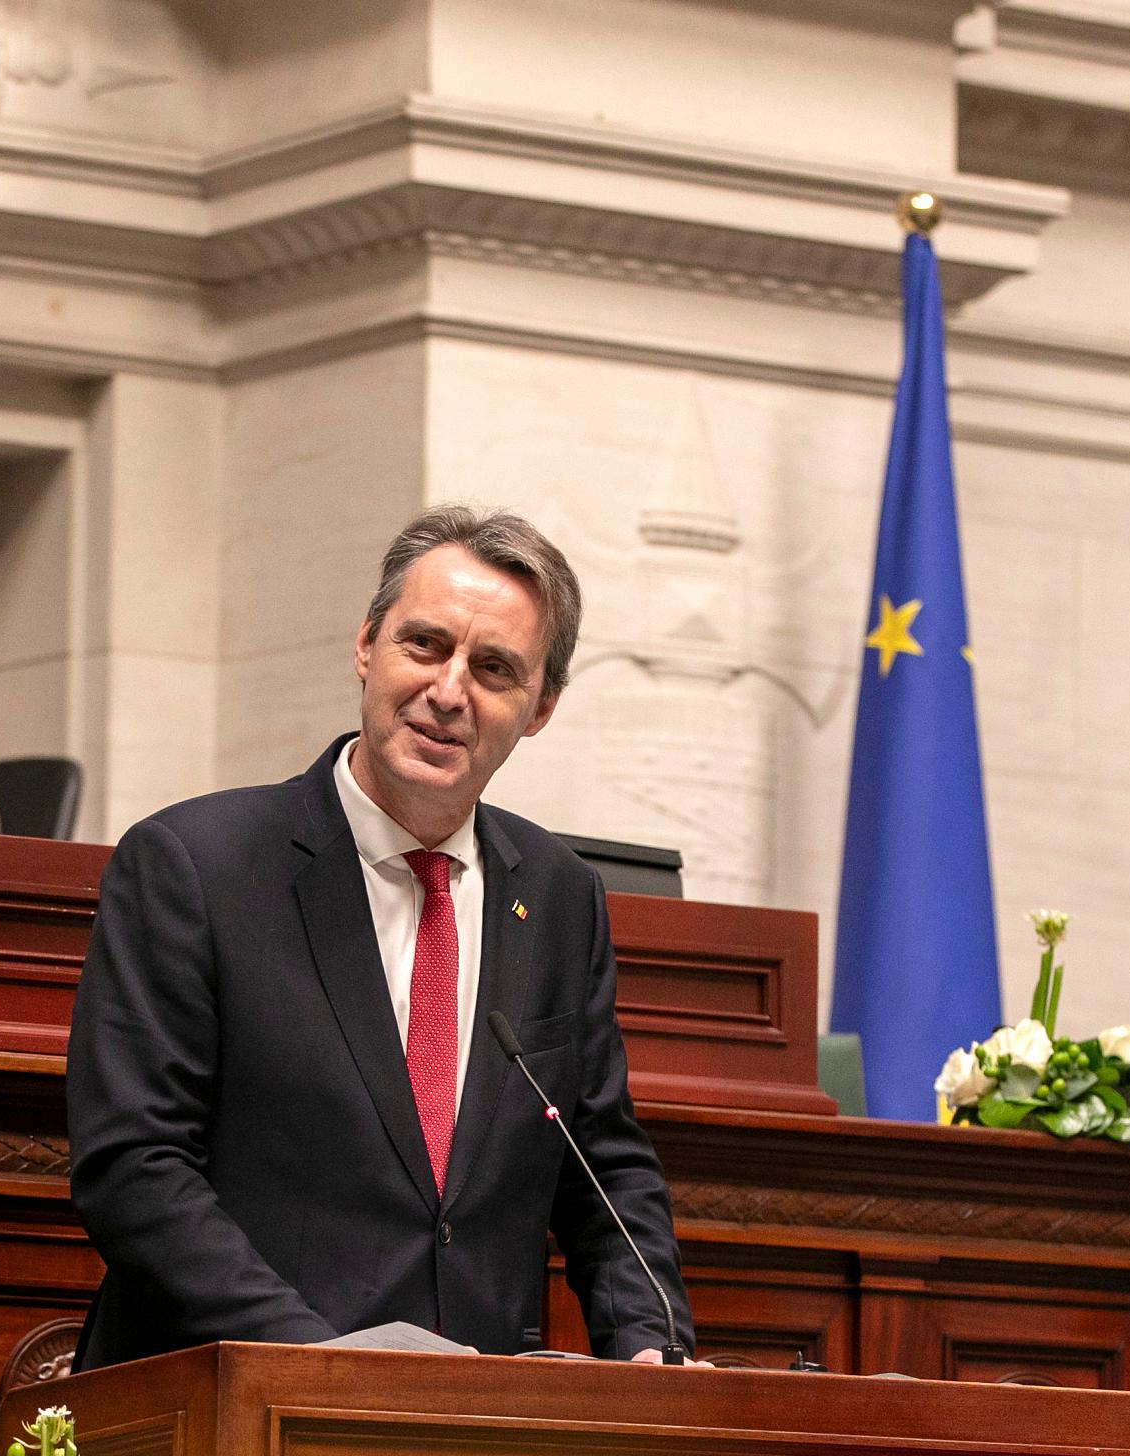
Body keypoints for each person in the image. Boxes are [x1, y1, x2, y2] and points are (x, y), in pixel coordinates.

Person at [66, 504, 693, 1367]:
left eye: (495, 668)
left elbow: (605, 1169)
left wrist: (647, 1343)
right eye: (425, 645)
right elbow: (135, 1167)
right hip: (235, 1407)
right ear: (366, 645)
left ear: (540, 708)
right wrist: (321, 1364)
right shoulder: (195, 867)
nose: (448, 691)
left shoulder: (558, 897)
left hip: (469, 1443)